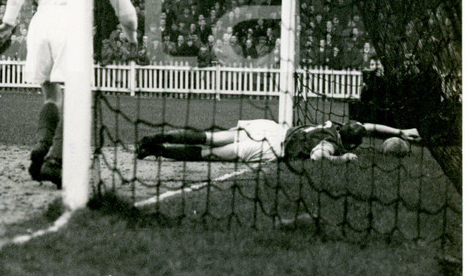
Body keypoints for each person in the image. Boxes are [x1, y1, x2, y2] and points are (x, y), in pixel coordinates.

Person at [0, 0, 138, 188]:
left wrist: (8, 21)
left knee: (51, 94)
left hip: (41, 23)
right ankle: (56, 161)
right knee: (76, 97)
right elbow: (126, 11)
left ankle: (42, 145)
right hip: (72, 25)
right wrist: (133, 39)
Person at [137, 118, 420, 164]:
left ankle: (159, 136)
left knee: (209, 137)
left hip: (272, 128)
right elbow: (317, 156)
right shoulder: (333, 143)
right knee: (210, 155)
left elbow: (369, 127)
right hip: (272, 147)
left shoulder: (333, 125)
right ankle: (158, 151)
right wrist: (341, 158)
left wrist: (398, 131)